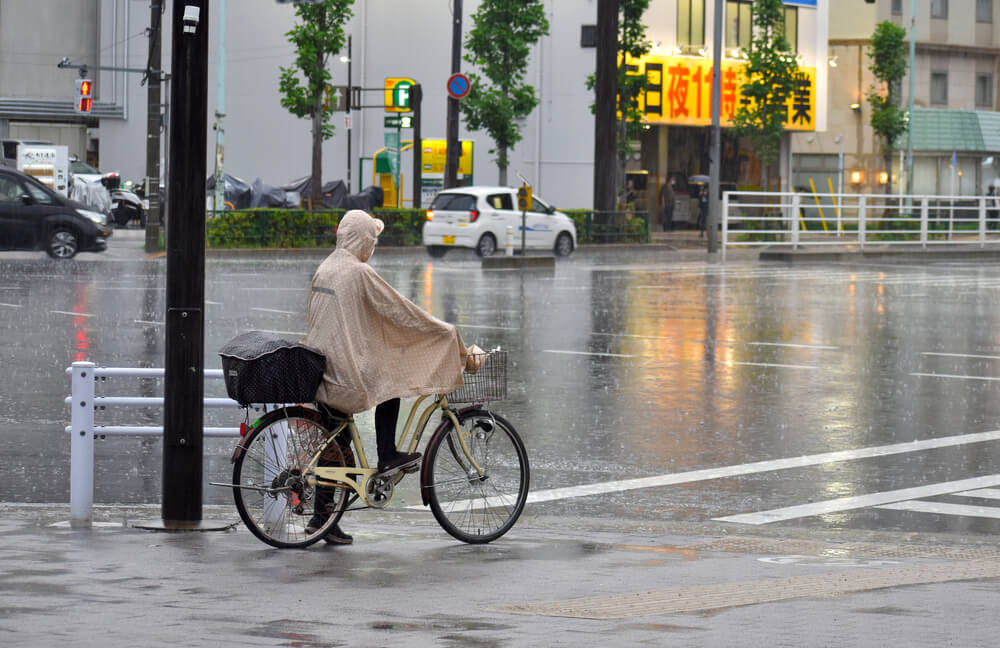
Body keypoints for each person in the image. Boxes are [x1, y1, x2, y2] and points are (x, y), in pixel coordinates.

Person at [302, 210, 482, 544]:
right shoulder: (358, 272)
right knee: (393, 380)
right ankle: (388, 454)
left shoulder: (327, 266)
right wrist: (443, 332)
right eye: (372, 240)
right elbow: (399, 310)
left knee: (335, 446)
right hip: (344, 373)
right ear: (362, 240)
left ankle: (322, 521)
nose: (373, 246)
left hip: (320, 365)